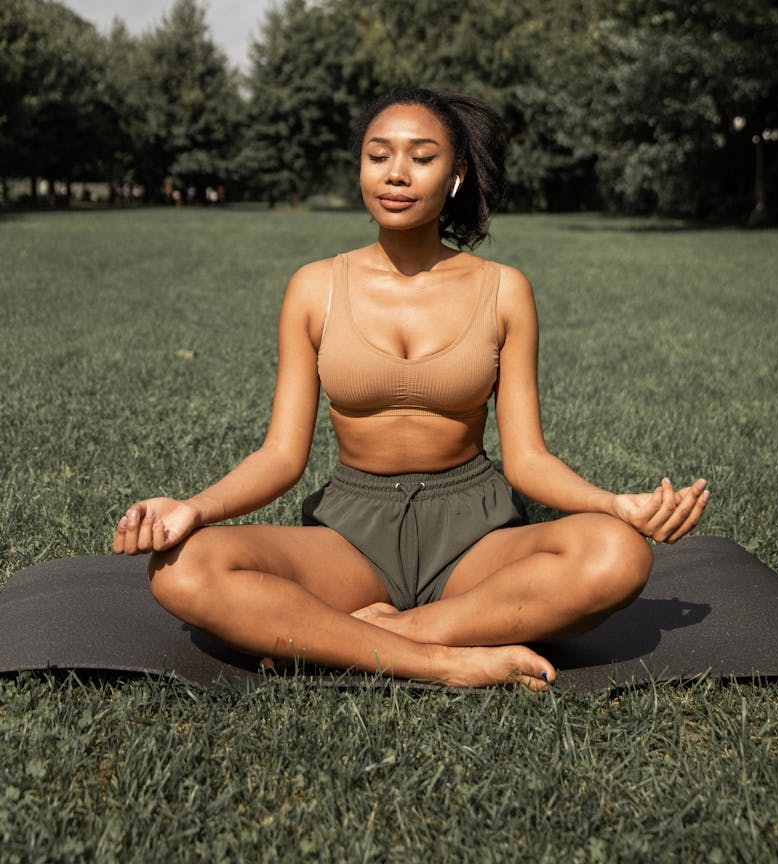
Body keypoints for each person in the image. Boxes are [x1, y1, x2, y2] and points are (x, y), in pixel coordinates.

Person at [114, 87, 709, 689]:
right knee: (181, 569)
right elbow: (280, 455)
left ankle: (367, 635)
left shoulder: (505, 290)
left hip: (476, 534)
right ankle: (443, 660)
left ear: (457, 174)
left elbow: (527, 460)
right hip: (350, 535)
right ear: (360, 168)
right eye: (379, 156)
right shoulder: (313, 287)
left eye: (422, 158)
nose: (396, 174)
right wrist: (192, 508)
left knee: (620, 553)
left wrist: (614, 506)